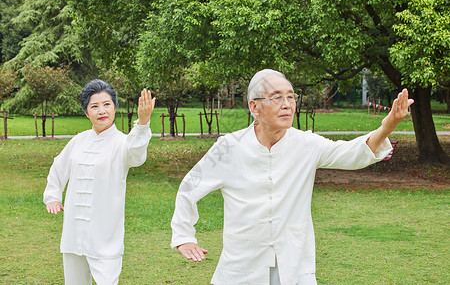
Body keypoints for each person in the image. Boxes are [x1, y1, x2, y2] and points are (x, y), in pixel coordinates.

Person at [170, 69, 414, 285]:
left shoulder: (305, 144)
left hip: (292, 262)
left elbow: (353, 153)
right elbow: (190, 186)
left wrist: (388, 125)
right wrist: (184, 236)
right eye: (277, 97)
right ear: (254, 107)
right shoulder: (228, 147)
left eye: (290, 97)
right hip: (242, 265)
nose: (287, 104)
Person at [43, 79, 155, 285]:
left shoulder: (123, 142)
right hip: (74, 231)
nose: (101, 111)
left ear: (114, 108)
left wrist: (142, 124)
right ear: (87, 113)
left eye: (106, 104)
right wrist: (52, 197)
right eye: (94, 106)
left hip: (105, 234)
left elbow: (137, 156)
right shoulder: (79, 140)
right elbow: (58, 168)